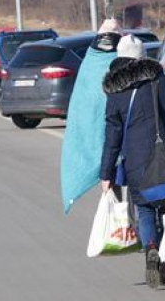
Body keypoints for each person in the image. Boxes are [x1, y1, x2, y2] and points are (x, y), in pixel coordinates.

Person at [99, 35, 165, 290]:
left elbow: (112, 138)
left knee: (146, 210)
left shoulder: (116, 92)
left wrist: (106, 173)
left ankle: (151, 247)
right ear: (142, 56)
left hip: (135, 162)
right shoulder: (160, 81)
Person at [61, 18, 122, 213]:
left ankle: (124, 225)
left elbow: (83, 102)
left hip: (107, 138)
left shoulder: (91, 60)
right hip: (125, 135)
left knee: (113, 183)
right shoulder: (121, 57)